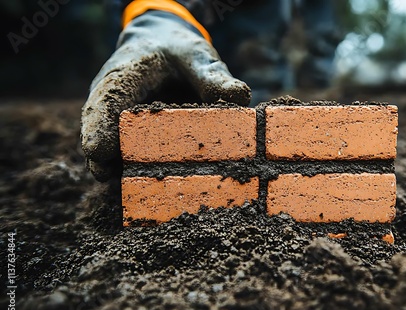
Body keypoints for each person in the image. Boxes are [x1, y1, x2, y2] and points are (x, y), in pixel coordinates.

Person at [81, 0, 339, 182]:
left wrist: (318, 66)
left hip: (256, 24)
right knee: (163, 113)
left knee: (253, 102)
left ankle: (240, 166)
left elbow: (320, 16)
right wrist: (158, 13)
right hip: (178, 14)